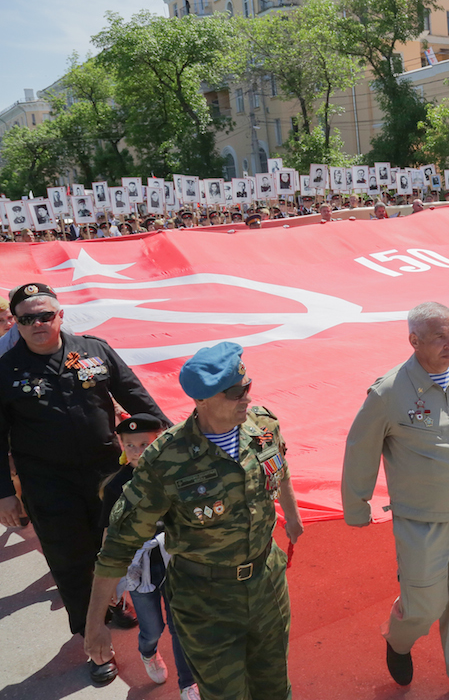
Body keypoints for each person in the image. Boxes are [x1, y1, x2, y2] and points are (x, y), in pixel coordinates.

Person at [84, 342, 304, 700]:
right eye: (235, 393)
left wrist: (292, 516)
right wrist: (95, 624)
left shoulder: (262, 424)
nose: (246, 398)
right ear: (202, 400)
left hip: (267, 585)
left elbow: (280, 467)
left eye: (247, 387)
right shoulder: (166, 459)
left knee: (275, 688)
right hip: (207, 603)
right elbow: (118, 545)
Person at [0, 283, 170, 685]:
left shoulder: (95, 351)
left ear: (61, 315)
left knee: (117, 548)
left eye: (46, 315)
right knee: (71, 561)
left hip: (107, 475)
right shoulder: (4, 371)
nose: (38, 323)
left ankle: (113, 602)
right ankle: (94, 643)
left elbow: (137, 398)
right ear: (17, 324)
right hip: (48, 484)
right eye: (27, 318)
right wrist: (5, 492)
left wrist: (174, 443)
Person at [341, 303, 449, 700]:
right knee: (425, 605)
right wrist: (357, 505)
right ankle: (398, 640)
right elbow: (360, 449)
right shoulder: (388, 392)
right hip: (421, 523)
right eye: (438, 337)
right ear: (414, 340)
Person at [100, 415, 200, 699]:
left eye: (145, 443)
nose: (137, 450)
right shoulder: (115, 487)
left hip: (175, 561)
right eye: (130, 444)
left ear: (160, 443)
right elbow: (109, 535)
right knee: (152, 627)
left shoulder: (176, 474)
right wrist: (110, 581)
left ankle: (187, 683)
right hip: (140, 567)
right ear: (121, 445)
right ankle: (148, 651)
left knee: (180, 625)